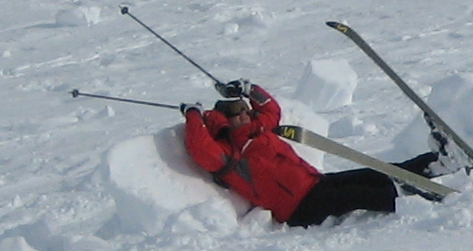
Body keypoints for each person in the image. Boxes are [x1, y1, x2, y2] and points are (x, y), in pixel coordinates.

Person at [180, 86, 449, 227]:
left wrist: (250, 89)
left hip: (314, 183)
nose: (243, 114)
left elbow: (271, 108)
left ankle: (437, 164)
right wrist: (193, 114)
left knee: (376, 171)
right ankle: (424, 201)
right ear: (225, 121)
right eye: (235, 113)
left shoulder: (259, 128)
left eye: (244, 109)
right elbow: (199, 147)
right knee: (364, 194)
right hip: (300, 208)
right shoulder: (229, 156)